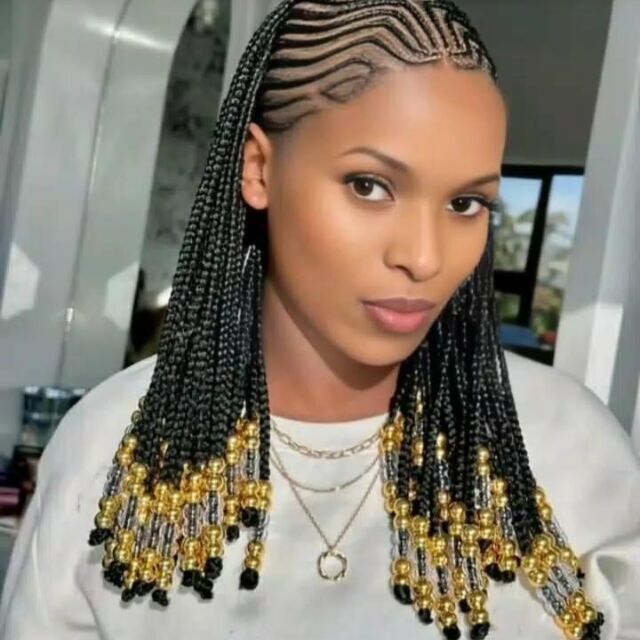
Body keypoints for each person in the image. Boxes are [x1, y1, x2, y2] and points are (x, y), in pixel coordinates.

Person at [1, 1, 638, 638]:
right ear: (259, 169)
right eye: (369, 185)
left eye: (466, 203)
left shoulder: (568, 451)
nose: (423, 258)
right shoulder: (109, 450)